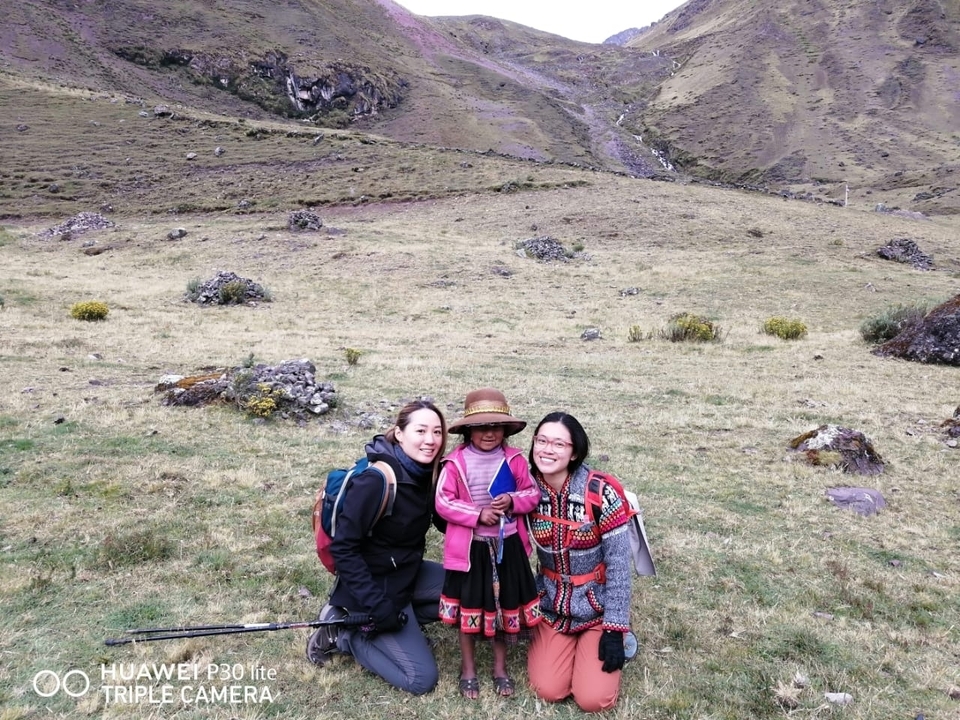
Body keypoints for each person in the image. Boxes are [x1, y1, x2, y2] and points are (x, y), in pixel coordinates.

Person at [305, 399, 447, 696]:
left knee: (466, 590)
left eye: (437, 432)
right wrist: (376, 605)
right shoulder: (377, 481)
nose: (430, 440)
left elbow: (442, 519)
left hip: (405, 576)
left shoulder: (426, 475)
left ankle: (402, 625)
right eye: (421, 431)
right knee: (420, 680)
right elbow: (344, 549)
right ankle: (344, 633)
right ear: (399, 433)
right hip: (373, 590)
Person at [435, 388, 542, 699]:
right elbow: (443, 502)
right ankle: (468, 669)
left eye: (496, 426)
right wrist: (477, 514)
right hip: (471, 552)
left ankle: (499, 668)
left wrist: (511, 500)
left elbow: (532, 493)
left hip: (507, 549)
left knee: (503, 608)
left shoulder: (516, 459)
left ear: (505, 429)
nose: (489, 433)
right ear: (468, 430)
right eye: (481, 427)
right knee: (470, 611)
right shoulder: (455, 463)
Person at [525, 411, 633, 712]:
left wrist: (615, 627)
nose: (547, 450)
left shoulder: (601, 492)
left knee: (593, 700)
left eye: (559, 444)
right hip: (551, 606)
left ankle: (618, 638)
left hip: (597, 608)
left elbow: (619, 566)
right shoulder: (526, 489)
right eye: (541, 441)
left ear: (574, 452)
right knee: (546, 689)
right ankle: (565, 649)